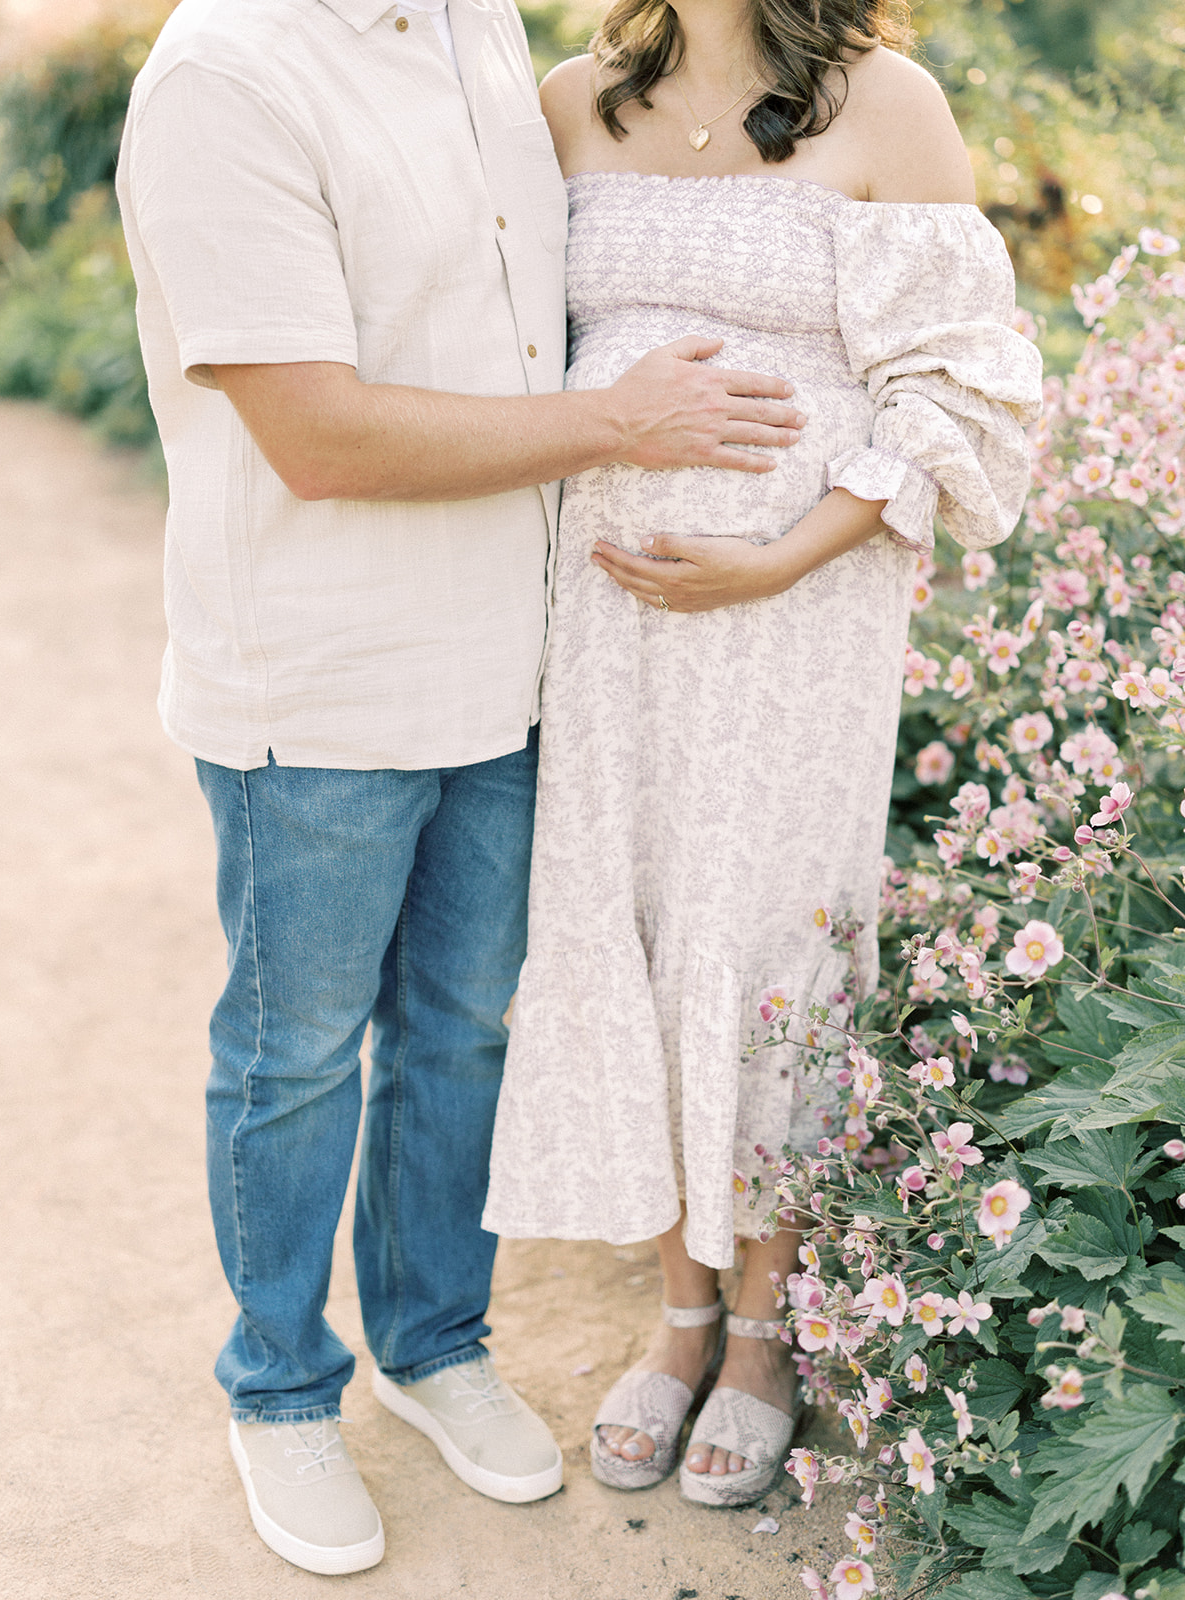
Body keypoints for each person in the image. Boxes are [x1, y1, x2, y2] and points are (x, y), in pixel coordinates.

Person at [115, 0, 809, 1576]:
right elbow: (318, 435)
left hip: (513, 662)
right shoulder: (228, 70)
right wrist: (624, 423)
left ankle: (434, 1348)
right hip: (321, 676)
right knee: (295, 1052)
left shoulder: (481, 26)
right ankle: (282, 1391)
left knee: (464, 1029)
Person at [482, 0, 1043, 1507]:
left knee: (769, 951)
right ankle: (678, 1321)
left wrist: (783, 553)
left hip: (802, 626)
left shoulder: (889, 100)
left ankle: (763, 1341)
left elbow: (962, 380)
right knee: (650, 934)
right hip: (610, 635)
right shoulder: (569, 97)